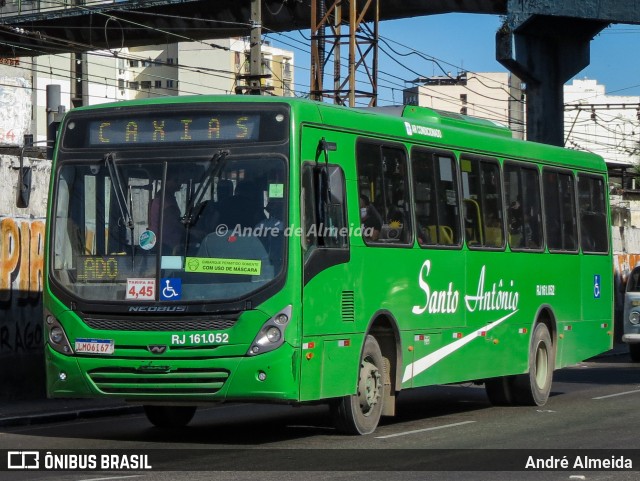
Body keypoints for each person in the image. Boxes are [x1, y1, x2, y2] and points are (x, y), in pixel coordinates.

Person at [148, 176, 184, 250]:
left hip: (162, 242)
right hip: (164, 244)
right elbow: (172, 220)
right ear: (165, 181)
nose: (179, 183)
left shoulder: (166, 197)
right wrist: (192, 231)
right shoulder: (164, 198)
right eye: (176, 180)